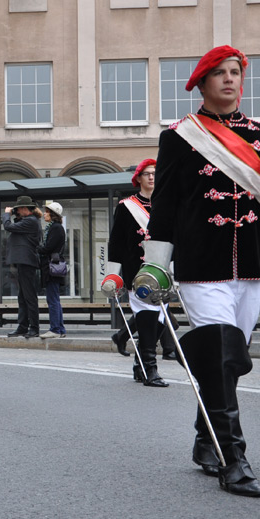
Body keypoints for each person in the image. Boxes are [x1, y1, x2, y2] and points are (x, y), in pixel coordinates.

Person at [135, 45, 260, 498]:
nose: (230, 80)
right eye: (220, 74)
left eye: (236, 72)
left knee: (227, 363)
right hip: (201, 263)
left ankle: (204, 440)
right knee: (217, 353)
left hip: (249, 263)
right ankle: (235, 459)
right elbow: (167, 206)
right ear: (203, 83)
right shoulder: (179, 137)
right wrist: (156, 268)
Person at [101, 159, 172, 387]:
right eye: (147, 174)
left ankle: (138, 362)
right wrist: (113, 275)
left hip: (163, 273)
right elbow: (117, 243)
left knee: (160, 321)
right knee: (147, 318)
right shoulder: (126, 206)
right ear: (138, 178)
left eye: (155, 173)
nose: (152, 177)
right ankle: (151, 369)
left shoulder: (166, 204)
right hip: (137, 272)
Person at [3, 195, 42, 339]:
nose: (17, 212)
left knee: (29, 297)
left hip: (27, 262)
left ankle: (34, 328)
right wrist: (13, 214)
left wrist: (7, 214)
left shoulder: (31, 221)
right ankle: (23, 326)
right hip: (23, 262)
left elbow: (8, 226)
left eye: (18, 209)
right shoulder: (28, 221)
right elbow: (15, 226)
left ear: (25, 208)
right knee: (22, 297)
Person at [38, 202, 67, 339]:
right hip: (54, 266)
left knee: (53, 300)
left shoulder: (55, 228)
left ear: (53, 214)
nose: (44, 214)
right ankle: (60, 329)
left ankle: (55, 329)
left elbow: (48, 248)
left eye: (47, 212)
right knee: (54, 299)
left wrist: (36, 248)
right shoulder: (55, 227)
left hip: (52, 267)